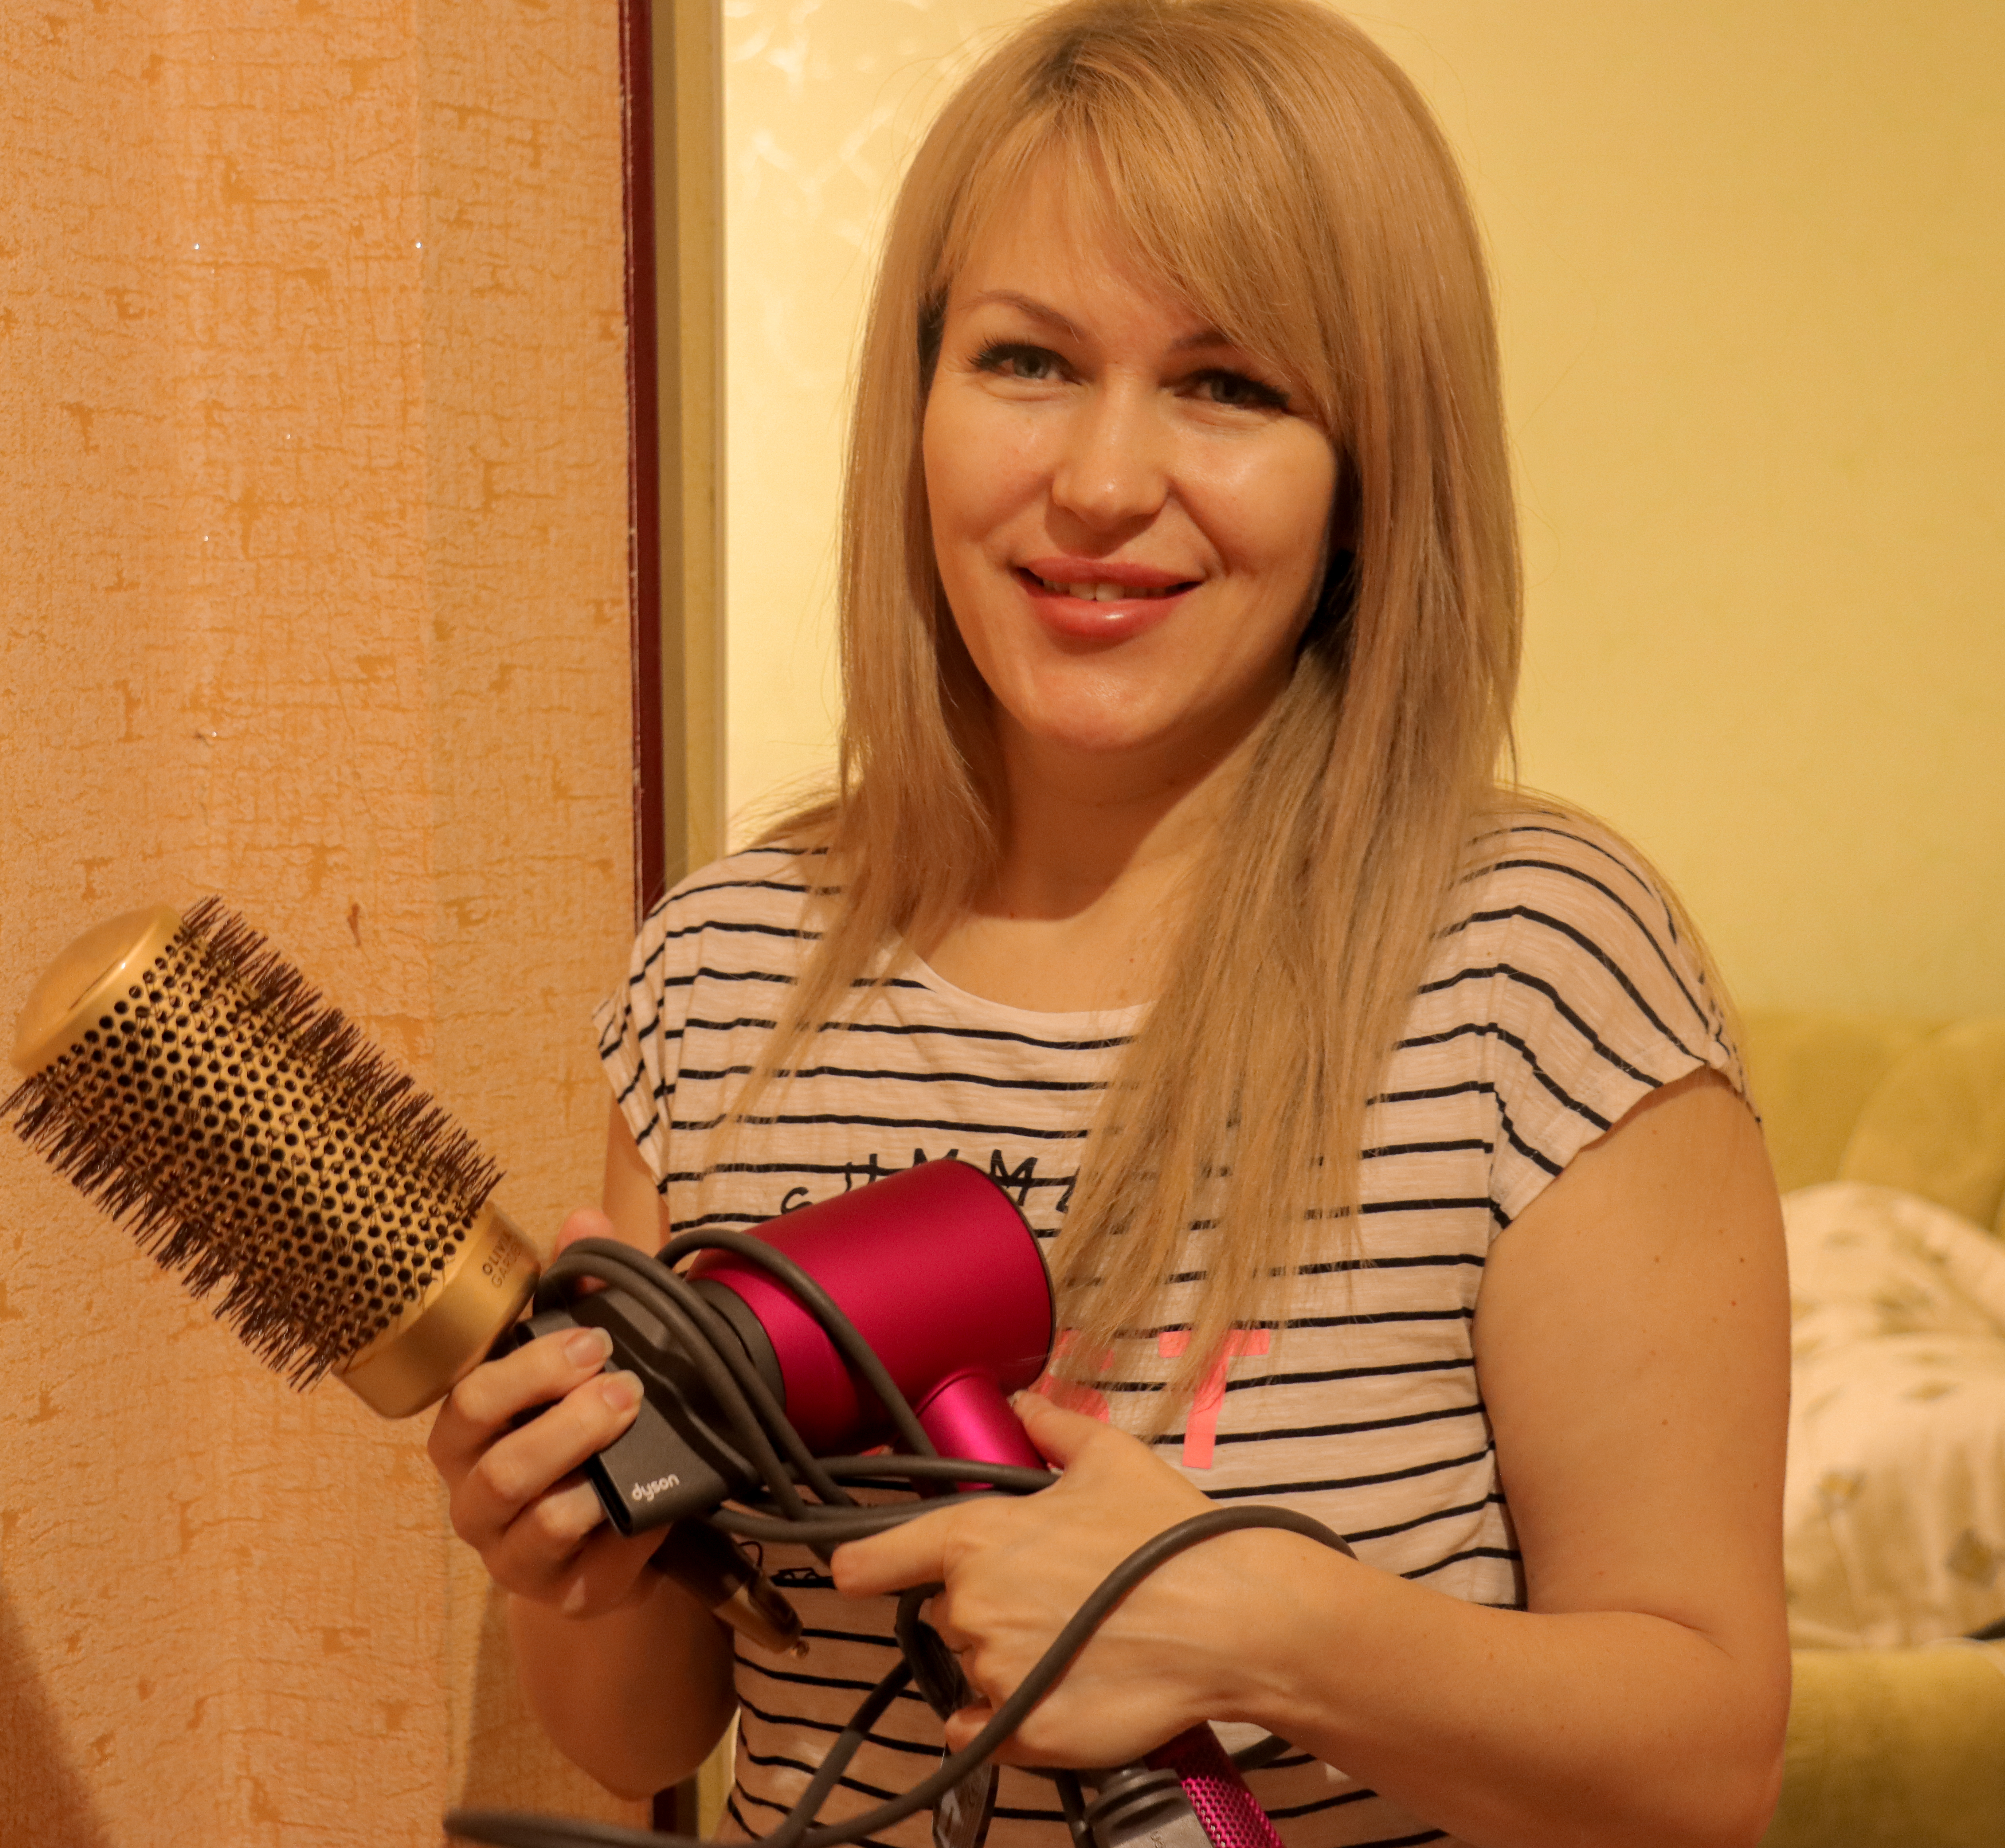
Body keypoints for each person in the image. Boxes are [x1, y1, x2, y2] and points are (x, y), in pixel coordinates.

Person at [428, 1, 1790, 1843]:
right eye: (1025, 360)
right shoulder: (727, 973)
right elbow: (645, 1729)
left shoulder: (1529, 970)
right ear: (917, 403)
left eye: (1229, 385)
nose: (1096, 481)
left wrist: (1253, 1623)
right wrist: (566, 1568)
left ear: (1367, 476)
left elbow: (1705, 1764)